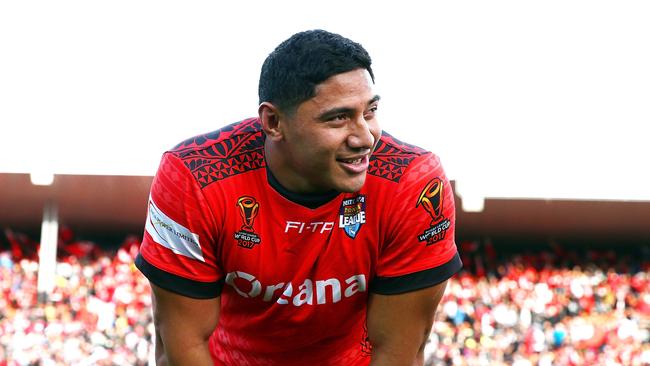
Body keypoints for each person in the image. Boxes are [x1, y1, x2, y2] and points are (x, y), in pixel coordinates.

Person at [135, 29, 462, 365]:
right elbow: (181, 347)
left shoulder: (414, 183)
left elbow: (398, 352)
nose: (365, 138)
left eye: (370, 112)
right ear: (273, 122)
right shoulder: (194, 177)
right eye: (339, 117)